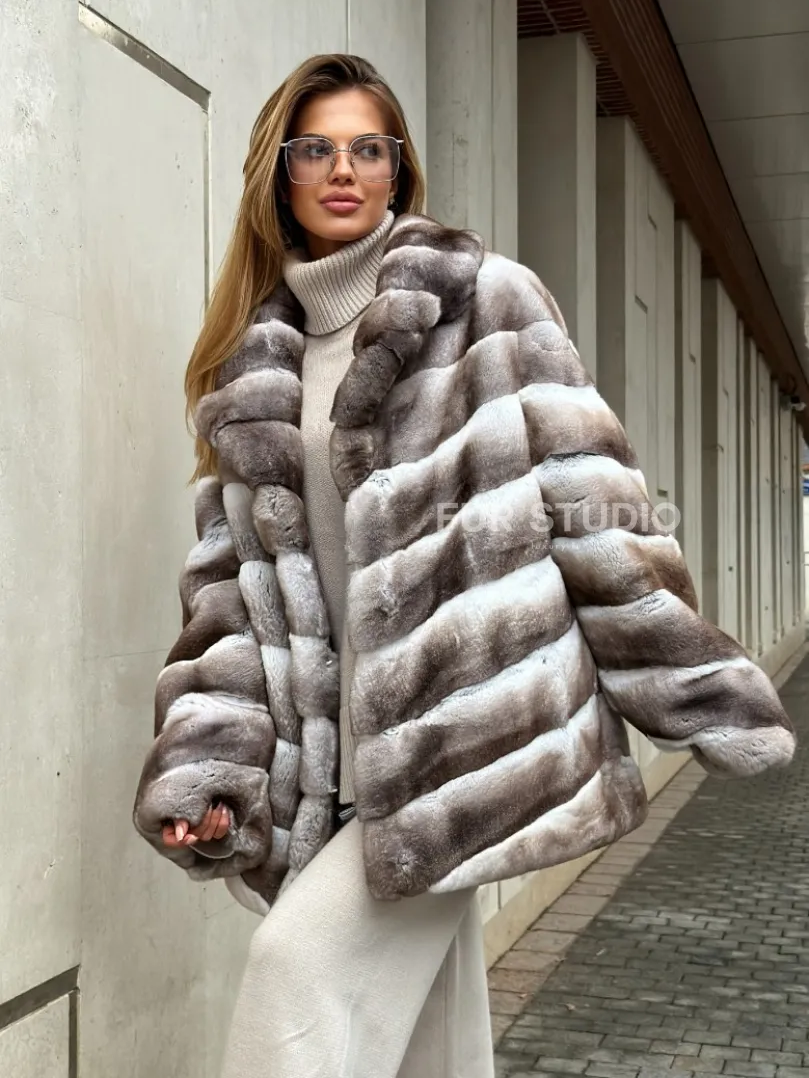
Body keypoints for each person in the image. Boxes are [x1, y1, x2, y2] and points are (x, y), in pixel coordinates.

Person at [132, 53, 796, 1078]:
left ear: (398, 170)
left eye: (368, 148)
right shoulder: (248, 370)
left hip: (462, 752)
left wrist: (695, 689)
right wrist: (206, 764)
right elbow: (229, 603)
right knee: (430, 1051)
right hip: (329, 767)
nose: (342, 170)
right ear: (278, 174)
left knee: (292, 977)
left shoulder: (485, 302)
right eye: (315, 149)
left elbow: (594, 503)